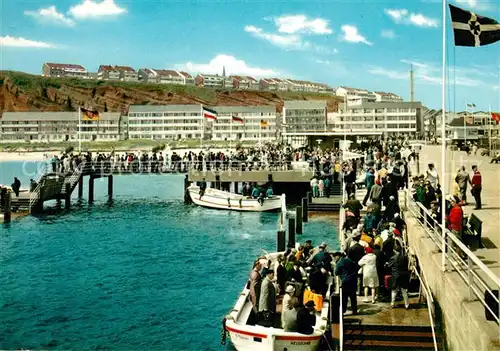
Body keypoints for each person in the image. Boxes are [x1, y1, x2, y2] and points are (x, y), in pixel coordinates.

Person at [386, 244, 410, 309]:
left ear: (394, 250)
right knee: (404, 291)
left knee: (394, 290)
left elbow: (389, 266)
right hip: (404, 275)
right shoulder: (404, 257)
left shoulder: (393, 258)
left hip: (396, 276)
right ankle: (406, 304)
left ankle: (392, 304)